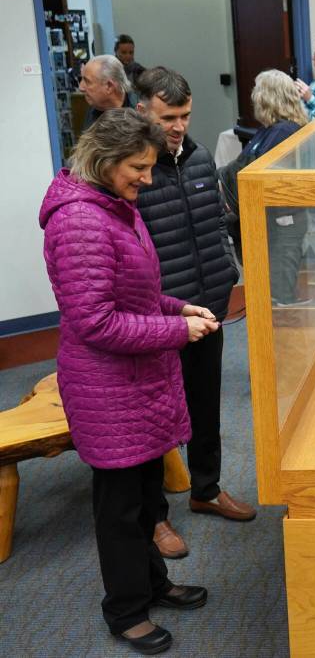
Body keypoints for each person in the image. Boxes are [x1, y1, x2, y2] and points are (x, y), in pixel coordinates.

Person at [38, 108, 217, 655]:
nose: (147, 177)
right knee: (118, 506)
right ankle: (124, 611)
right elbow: (95, 321)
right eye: (138, 167)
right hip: (107, 387)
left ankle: (153, 585)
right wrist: (175, 329)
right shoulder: (78, 221)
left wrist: (175, 305)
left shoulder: (115, 206)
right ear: (103, 161)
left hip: (138, 378)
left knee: (144, 495)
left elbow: (132, 295)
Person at [134, 67, 254, 560]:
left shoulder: (202, 158)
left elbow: (216, 227)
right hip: (159, 321)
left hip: (207, 309)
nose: (177, 125)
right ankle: (155, 518)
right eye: (167, 116)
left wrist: (227, 277)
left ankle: (206, 490)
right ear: (142, 110)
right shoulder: (133, 170)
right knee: (155, 422)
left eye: (184, 115)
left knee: (207, 409)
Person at [246, 69, 311, 305]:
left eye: (257, 90)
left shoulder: (283, 131)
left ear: (267, 96)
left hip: (285, 216)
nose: (253, 95)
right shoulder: (270, 130)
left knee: (283, 296)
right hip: (278, 216)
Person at [79, 55, 135, 130]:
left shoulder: (140, 112)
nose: (81, 88)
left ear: (109, 86)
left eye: (87, 82)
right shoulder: (95, 106)